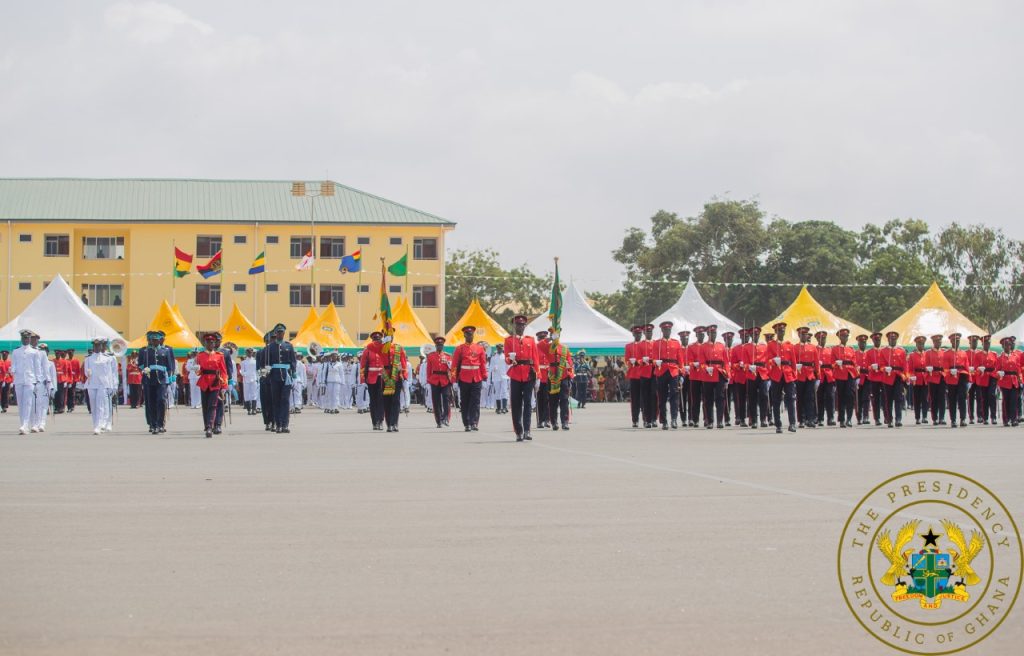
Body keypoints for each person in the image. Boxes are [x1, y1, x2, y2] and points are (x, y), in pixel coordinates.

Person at [505, 315, 541, 441]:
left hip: (529, 374)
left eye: (522, 325)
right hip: (515, 374)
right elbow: (507, 358)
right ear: (514, 326)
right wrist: (511, 359)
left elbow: (535, 359)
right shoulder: (509, 340)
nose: (520, 327)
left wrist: (538, 377)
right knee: (516, 404)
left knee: (528, 404)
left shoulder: (530, 340)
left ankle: (527, 431)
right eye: (518, 325)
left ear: (525, 326)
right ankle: (518, 431)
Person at [137, 330, 174, 434]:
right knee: (151, 402)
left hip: (161, 379)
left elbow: (170, 366)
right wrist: (145, 370)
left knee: (161, 400)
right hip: (149, 379)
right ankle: (153, 425)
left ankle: (160, 424)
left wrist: (170, 378)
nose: (155, 342)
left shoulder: (165, 351)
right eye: (153, 340)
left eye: (157, 340)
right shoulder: (146, 352)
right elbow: (140, 365)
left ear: (159, 341)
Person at [453, 326, 488, 432]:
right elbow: (455, 365)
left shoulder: (479, 348)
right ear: (464, 335)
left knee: (476, 401)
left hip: (476, 377)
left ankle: (474, 423)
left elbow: (483, 364)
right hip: (464, 378)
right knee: (465, 401)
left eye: (471, 334)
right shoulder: (460, 348)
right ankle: (467, 423)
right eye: (468, 334)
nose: (470, 336)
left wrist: (485, 377)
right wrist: (454, 380)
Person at [265, 324, 296, 434]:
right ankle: (278, 424)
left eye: (281, 332)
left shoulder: (289, 346)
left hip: (286, 376)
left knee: (285, 401)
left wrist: (294, 373)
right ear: (275, 333)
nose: (280, 334)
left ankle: (285, 424)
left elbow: (293, 361)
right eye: (278, 332)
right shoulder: (270, 347)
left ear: (284, 333)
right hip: (274, 377)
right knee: (276, 401)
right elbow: (267, 363)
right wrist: (267, 373)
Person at [766, 322, 797, 434]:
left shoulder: (789, 345)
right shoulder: (771, 345)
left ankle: (792, 423)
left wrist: (794, 375)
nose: (781, 333)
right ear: (776, 332)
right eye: (779, 331)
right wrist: (773, 361)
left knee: (791, 399)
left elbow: (793, 362)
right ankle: (778, 424)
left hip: (788, 374)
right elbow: (767, 361)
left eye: (783, 331)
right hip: (776, 374)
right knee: (776, 400)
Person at [196, 332, 229, 438]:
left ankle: (210, 427)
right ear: (205, 343)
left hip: (215, 382)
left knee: (213, 405)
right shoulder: (200, 355)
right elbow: (198, 371)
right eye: (208, 342)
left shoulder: (219, 356)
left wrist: (224, 385)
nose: (210, 344)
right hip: (204, 381)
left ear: (215, 344)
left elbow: (223, 371)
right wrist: (196, 370)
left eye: (212, 342)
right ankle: (206, 425)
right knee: (205, 405)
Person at [83, 337, 117, 435]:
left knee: (101, 405)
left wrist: (113, 385)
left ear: (102, 346)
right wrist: (88, 373)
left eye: (99, 345)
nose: (97, 347)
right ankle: (95, 425)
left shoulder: (107, 358)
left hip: (103, 384)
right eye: (95, 346)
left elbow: (111, 373)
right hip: (91, 383)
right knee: (93, 406)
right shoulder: (88, 358)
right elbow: (86, 371)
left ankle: (100, 424)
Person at [652, 321, 682, 430]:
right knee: (662, 396)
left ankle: (674, 419)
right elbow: (654, 359)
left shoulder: (676, 343)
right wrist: (656, 362)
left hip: (673, 370)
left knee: (674, 395)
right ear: (662, 331)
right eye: (665, 330)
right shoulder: (657, 343)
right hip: (661, 370)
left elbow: (680, 359)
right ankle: (664, 420)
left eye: (668, 330)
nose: (667, 331)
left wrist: (681, 371)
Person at [700, 324, 730, 429]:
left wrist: (727, 373)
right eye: (711, 333)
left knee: (720, 397)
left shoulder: (721, 346)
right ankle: (710, 421)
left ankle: (720, 420)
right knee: (708, 399)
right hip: (708, 374)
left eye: (715, 333)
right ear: (708, 334)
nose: (713, 334)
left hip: (719, 373)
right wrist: (705, 368)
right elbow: (701, 362)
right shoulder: (703, 346)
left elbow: (726, 361)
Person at [545, 331, 575, 431]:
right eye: (553, 335)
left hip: (564, 376)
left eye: (557, 335)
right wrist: (547, 340)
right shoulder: (548, 347)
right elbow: (538, 346)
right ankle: (554, 422)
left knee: (564, 400)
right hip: (553, 377)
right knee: (553, 401)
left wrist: (569, 366)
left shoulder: (564, 348)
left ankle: (565, 422)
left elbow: (570, 360)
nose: (555, 337)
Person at [877, 330, 907, 428]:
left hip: (898, 376)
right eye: (891, 338)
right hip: (887, 377)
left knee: (898, 399)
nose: (892, 340)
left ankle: (898, 419)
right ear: (888, 339)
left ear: (896, 339)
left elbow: (904, 366)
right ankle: (889, 419)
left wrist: (905, 376)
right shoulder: (883, 351)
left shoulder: (901, 351)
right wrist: (885, 368)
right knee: (888, 400)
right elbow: (880, 365)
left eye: (894, 338)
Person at [360, 332, 388, 430]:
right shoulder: (367, 351)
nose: (377, 341)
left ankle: (380, 421)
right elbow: (363, 366)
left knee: (381, 400)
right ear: (372, 340)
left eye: (379, 339)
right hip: (371, 378)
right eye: (375, 339)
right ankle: (374, 422)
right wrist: (363, 380)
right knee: (373, 401)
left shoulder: (384, 349)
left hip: (382, 377)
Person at [830, 329, 857, 428]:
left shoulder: (851, 349)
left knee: (850, 396)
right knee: (841, 397)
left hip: (850, 374)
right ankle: (841, 419)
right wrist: (837, 363)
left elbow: (854, 362)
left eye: (846, 336)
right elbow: (831, 363)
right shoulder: (835, 349)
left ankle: (849, 418)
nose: (844, 338)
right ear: (839, 337)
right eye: (842, 336)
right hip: (840, 374)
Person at [426, 336, 454, 428]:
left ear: (443, 346)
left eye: (441, 345)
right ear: (435, 345)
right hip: (434, 380)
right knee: (436, 401)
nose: (439, 346)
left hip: (445, 380)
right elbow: (428, 369)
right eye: (438, 345)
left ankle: (446, 418)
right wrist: (429, 379)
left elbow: (451, 369)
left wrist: (452, 379)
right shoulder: (431, 356)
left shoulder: (448, 356)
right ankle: (438, 420)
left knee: (446, 400)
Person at [943, 332, 969, 428]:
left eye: (957, 341)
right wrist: (950, 372)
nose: (956, 342)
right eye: (954, 341)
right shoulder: (947, 354)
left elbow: (966, 366)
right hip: (951, 378)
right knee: (952, 399)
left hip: (962, 377)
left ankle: (963, 419)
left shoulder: (963, 353)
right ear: (951, 342)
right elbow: (944, 368)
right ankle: (953, 420)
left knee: (962, 399)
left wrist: (968, 379)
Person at [625, 325, 647, 428]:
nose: (638, 335)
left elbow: (647, 359)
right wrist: (630, 362)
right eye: (636, 333)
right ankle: (635, 420)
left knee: (644, 398)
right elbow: (626, 360)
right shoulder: (629, 346)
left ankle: (645, 419)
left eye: (640, 333)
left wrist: (639, 361)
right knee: (635, 399)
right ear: (633, 334)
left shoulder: (645, 344)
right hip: (634, 375)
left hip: (643, 374)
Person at [973, 335, 998, 425]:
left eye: (988, 343)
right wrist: (980, 369)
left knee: (992, 395)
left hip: (992, 377)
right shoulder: (978, 354)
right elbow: (976, 368)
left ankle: (993, 417)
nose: (987, 345)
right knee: (984, 398)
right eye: (986, 343)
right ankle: (985, 417)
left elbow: (996, 366)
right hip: (983, 377)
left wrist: (996, 374)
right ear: (983, 344)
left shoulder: (994, 354)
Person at [996, 337, 1021, 426]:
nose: (1008, 346)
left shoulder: (1015, 357)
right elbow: (996, 371)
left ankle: (1014, 419)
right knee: (1006, 400)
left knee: (1014, 400)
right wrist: (999, 373)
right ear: (1003, 346)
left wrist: (1020, 380)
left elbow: (1018, 370)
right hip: (1005, 381)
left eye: (1009, 345)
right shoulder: (1000, 358)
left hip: (1014, 380)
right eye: (1006, 345)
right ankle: (1006, 419)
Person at [813, 330, 836, 426]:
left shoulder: (829, 350)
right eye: (820, 338)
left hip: (829, 376)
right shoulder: (814, 350)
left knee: (830, 397)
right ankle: (820, 418)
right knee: (819, 397)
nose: (822, 340)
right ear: (817, 339)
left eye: (824, 338)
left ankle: (830, 418)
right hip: (819, 376)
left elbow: (834, 363)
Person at [687, 326, 707, 428]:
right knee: (695, 399)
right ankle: (695, 419)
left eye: (703, 334)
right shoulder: (691, 347)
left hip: (705, 375)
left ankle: (706, 418)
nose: (701, 336)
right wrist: (693, 364)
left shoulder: (707, 346)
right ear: (696, 335)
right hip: (695, 376)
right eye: (699, 334)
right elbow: (689, 361)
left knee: (706, 398)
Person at [925, 334, 947, 425]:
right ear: (933, 342)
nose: (939, 343)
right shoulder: (928, 353)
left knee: (942, 398)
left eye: (940, 342)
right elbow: (925, 365)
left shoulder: (944, 352)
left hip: (942, 376)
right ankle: (935, 418)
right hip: (932, 377)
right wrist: (928, 368)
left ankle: (942, 417)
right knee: (934, 398)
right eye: (937, 342)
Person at [535, 330, 551, 427]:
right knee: (540, 399)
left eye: (545, 338)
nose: (543, 340)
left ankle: (547, 419)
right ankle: (540, 420)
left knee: (549, 399)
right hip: (540, 376)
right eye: (542, 339)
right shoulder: (536, 347)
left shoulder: (550, 347)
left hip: (549, 375)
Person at [490, 344, 510, 414]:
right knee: (497, 392)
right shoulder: (493, 357)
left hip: (504, 376)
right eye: (498, 348)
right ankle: (498, 408)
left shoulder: (505, 357)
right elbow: (490, 368)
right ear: (497, 349)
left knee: (504, 391)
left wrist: (508, 376)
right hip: (496, 376)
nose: (500, 350)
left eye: (501, 348)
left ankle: (504, 407)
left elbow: (508, 367)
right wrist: (493, 368)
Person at [240, 349, 259, 414]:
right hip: (246, 379)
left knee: (254, 394)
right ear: (246, 353)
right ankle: (248, 409)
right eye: (248, 352)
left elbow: (257, 370)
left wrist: (257, 377)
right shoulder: (243, 362)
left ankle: (254, 409)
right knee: (246, 394)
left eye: (250, 352)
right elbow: (241, 371)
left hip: (254, 379)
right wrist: (245, 374)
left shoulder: (255, 361)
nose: (249, 354)